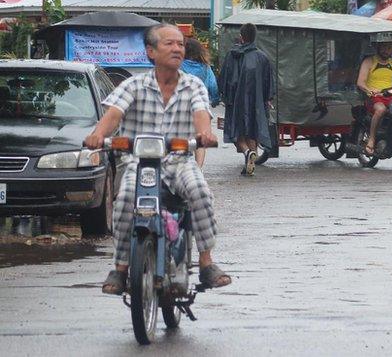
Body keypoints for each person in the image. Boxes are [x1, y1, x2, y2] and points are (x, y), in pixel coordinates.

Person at [84, 23, 231, 295]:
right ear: (151, 51)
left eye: (180, 44)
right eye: (169, 44)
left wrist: (204, 134)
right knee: (125, 199)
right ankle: (120, 268)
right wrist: (97, 135)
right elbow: (113, 115)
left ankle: (207, 263)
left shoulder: (193, 85)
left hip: (180, 163)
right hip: (138, 165)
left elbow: (201, 114)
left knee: (200, 192)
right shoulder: (133, 85)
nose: (177, 49)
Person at [218, 23, 275, 177]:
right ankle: (251, 158)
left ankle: (247, 152)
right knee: (253, 132)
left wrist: (222, 95)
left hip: (235, 101)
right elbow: (268, 82)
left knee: (236, 132)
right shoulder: (262, 57)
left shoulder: (232, 55)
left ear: (241, 37)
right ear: (255, 37)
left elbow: (224, 78)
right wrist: (268, 98)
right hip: (256, 102)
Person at [181, 37, 219, 167]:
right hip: (201, 107)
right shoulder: (206, 68)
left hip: (182, 105)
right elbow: (213, 86)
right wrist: (214, 100)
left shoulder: (179, 65)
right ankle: (198, 168)